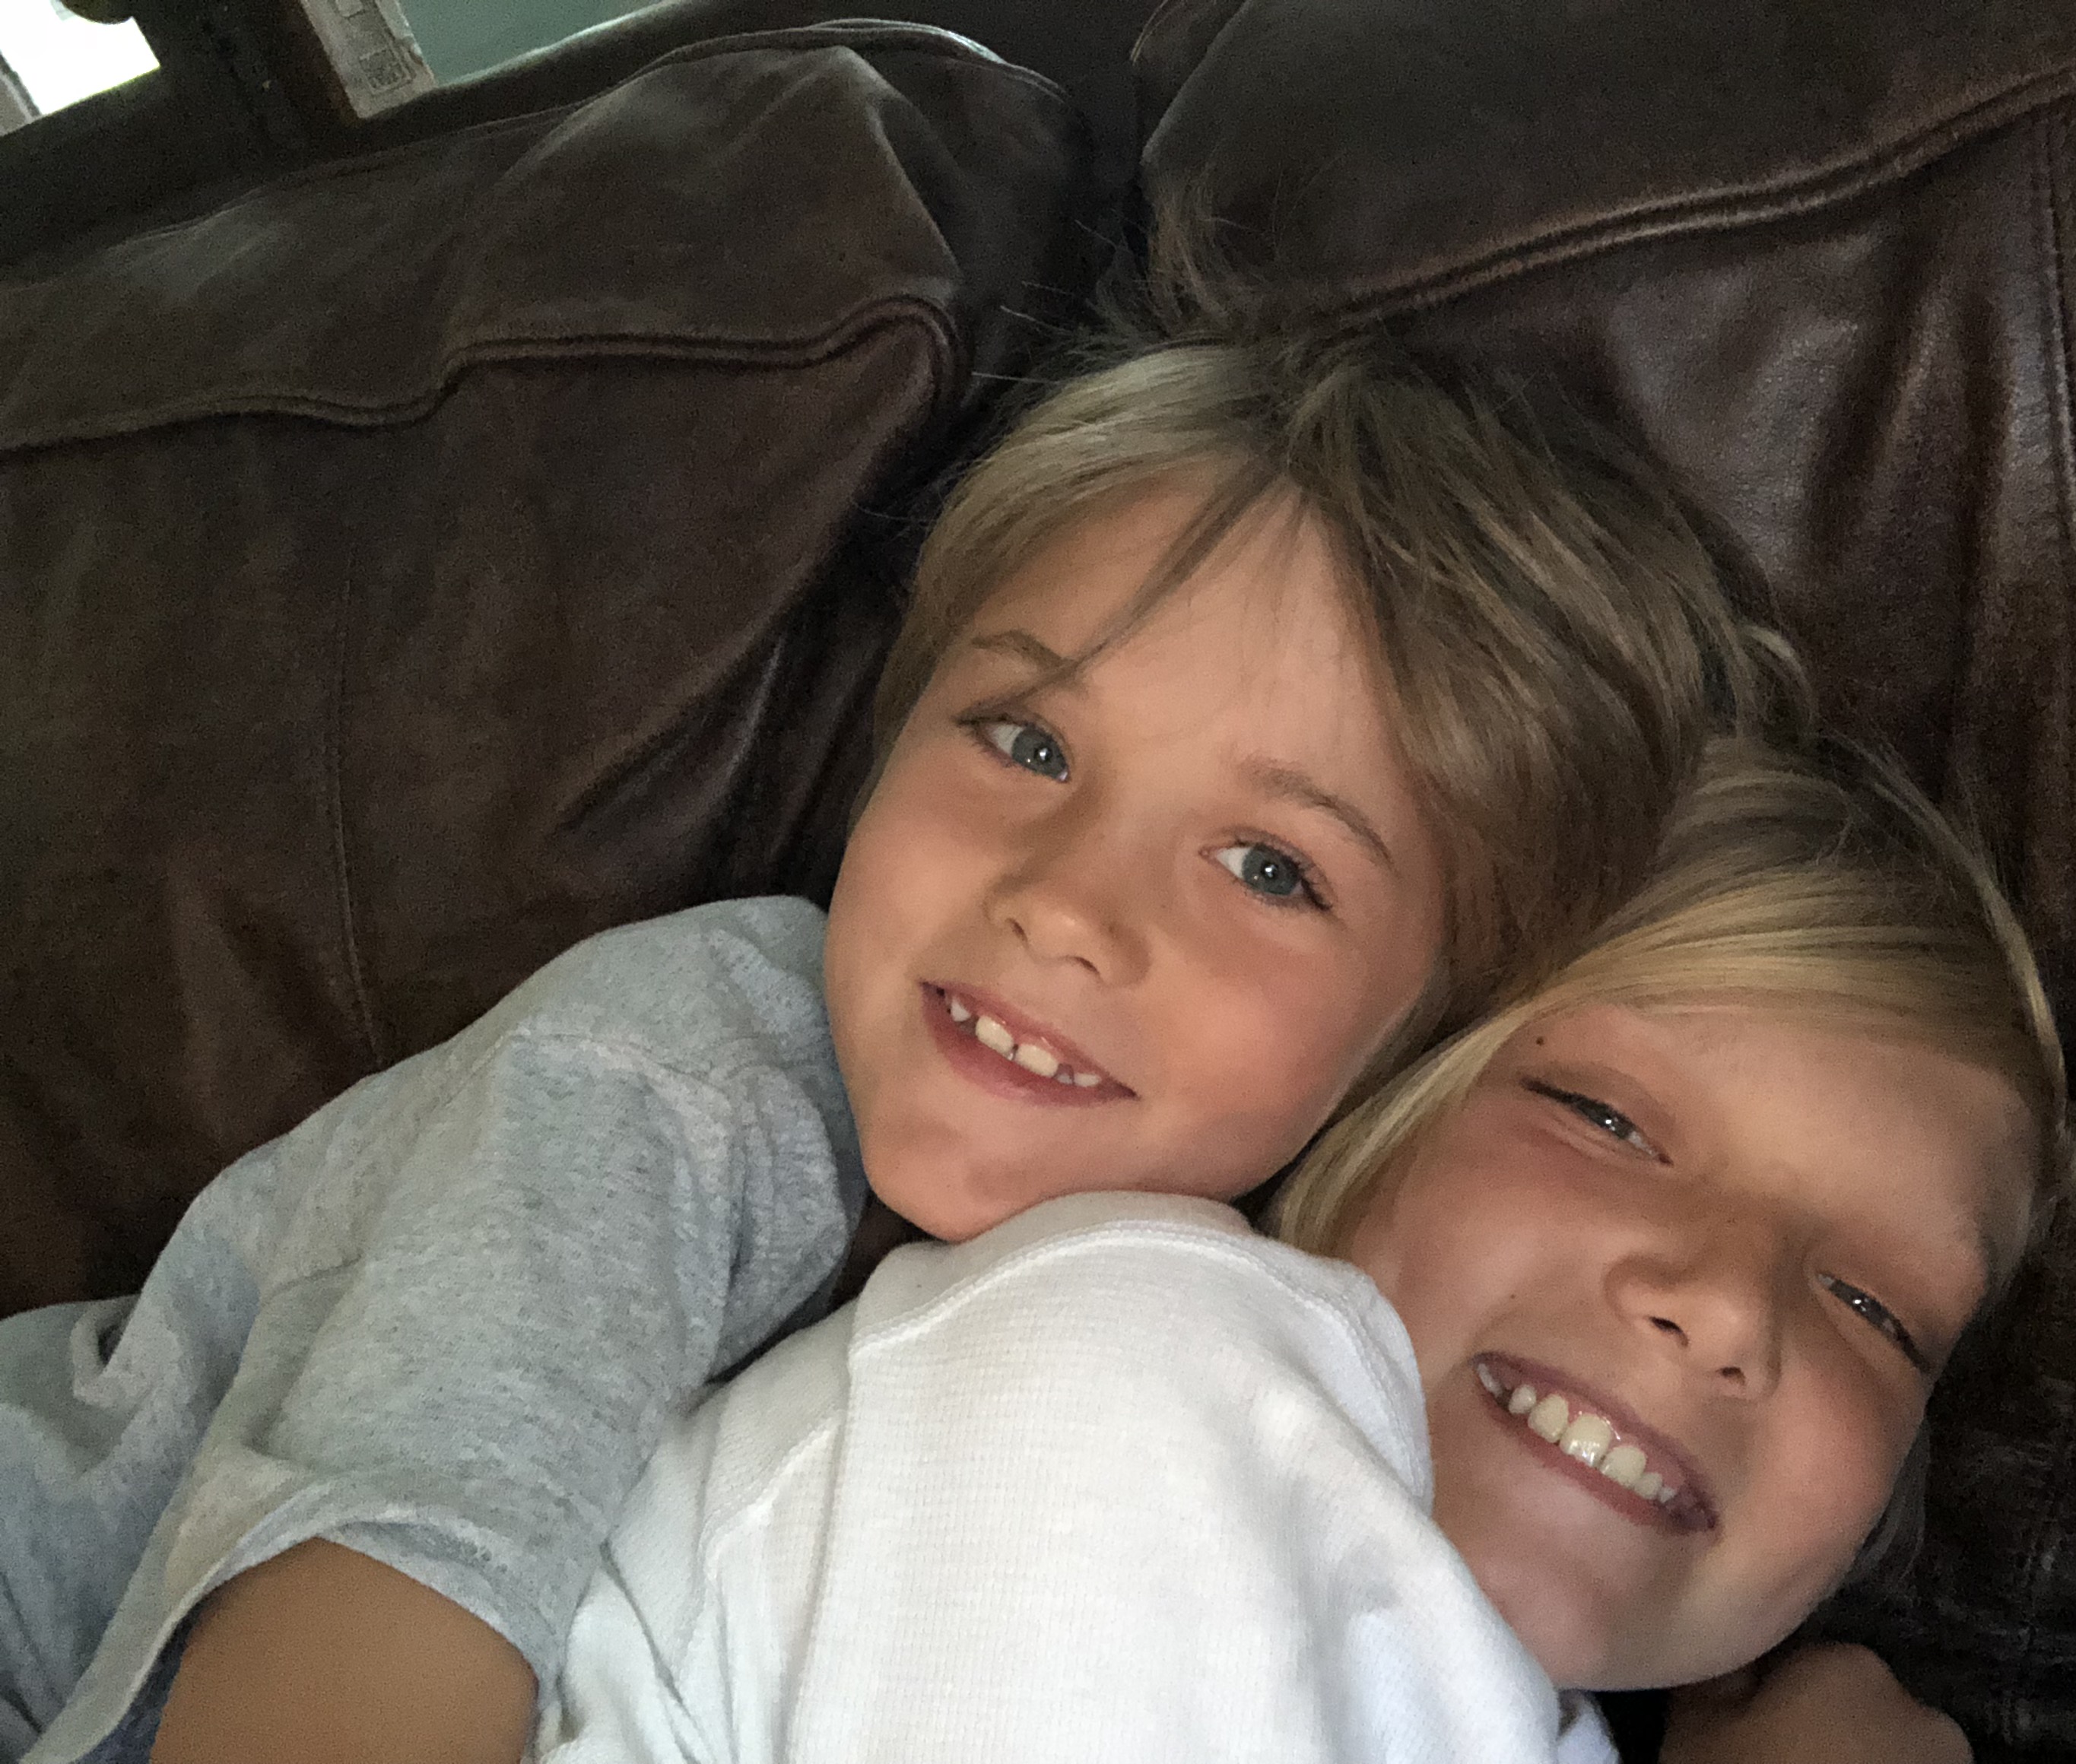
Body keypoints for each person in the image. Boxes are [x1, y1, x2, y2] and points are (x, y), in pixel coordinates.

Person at [1, 328, 1789, 1764]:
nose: (1064, 901)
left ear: (1419, 1037)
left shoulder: (1233, 1355)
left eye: (1268, 866)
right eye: (1025, 741)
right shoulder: (674, 1075)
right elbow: (366, 1630)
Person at [529, 731, 2076, 1763]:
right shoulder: (1130, 1364)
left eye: (1875, 1305)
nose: (1727, 1306)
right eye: (1604, 1119)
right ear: (1359, 1095)